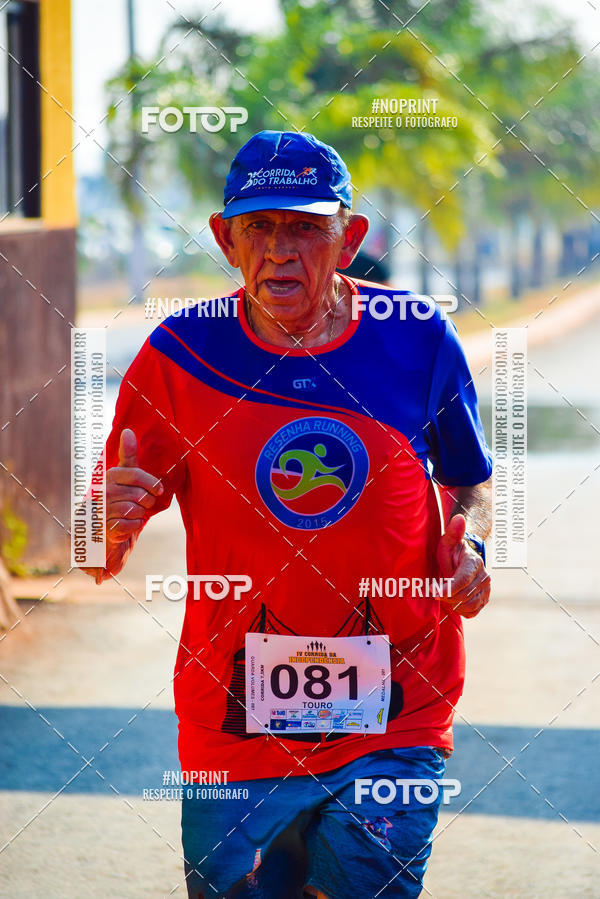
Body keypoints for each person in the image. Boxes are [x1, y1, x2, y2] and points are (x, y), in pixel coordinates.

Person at [84, 130, 492, 898]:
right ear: (224, 238)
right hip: (231, 717)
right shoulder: (178, 355)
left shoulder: (419, 337)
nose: (281, 249)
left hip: (398, 704)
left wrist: (471, 544)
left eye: (306, 226)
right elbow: (94, 554)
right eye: (259, 226)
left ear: (350, 237)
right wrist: (100, 520)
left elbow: (471, 481)